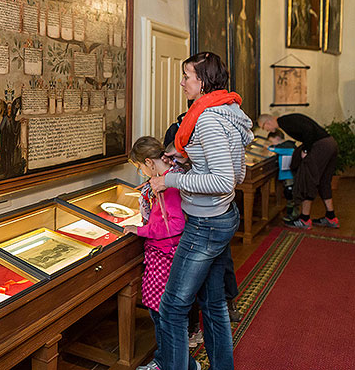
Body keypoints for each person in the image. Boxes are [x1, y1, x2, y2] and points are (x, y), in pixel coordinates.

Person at [149, 52, 253, 370]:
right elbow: (238, 173)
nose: (182, 82)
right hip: (221, 216)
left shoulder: (207, 118)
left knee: (172, 307)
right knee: (213, 303)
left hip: (206, 223)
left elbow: (223, 180)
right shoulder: (226, 110)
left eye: (187, 76)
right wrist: (186, 162)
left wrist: (171, 179)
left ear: (203, 81)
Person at [126, 136, 186, 370]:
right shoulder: (169, 175)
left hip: (165, 254)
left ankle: (168, 362)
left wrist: (141, 229)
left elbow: (174, 224)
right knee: (159, 312)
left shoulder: (166, 185)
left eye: (140, 167)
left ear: (150, 162)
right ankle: (174, 361)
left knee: (162, 314)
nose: (140, 172)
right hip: (162, 252)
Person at [257, 113, 339, 229]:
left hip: (320, 146)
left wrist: (305, 150)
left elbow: (308, 130)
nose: (266, 130)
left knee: (307, 181)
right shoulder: (286, 120)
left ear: (268, 122)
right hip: (330, 144)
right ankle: (331, 217)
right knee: (324, 182)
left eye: (263, 127)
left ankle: (304, 219)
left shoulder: (285, 122)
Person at [266, 129, 298, 221]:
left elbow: (279, 150)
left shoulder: (287, 147)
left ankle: (293, 214)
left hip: (290, 175)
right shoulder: (285, 146)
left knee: (290, 193)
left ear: (277, 138)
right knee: (288, 194)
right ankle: (290, 213)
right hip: (287, 174)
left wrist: (268, 147)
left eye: (271, 141)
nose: (272, 143)